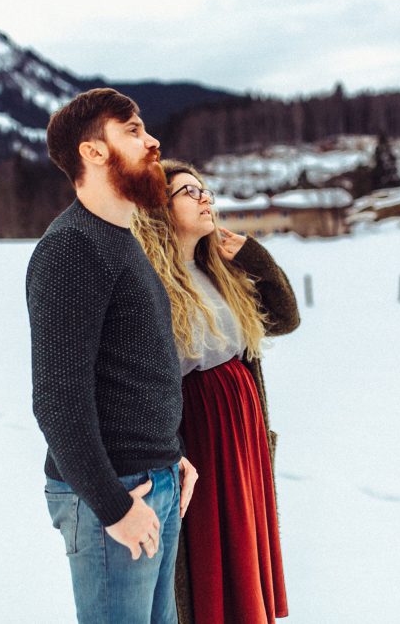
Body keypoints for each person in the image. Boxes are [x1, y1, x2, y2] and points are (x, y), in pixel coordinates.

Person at [26, 88, 198, 624]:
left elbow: (137, 371)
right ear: (93, 152)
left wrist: (171, 454)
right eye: (132, 131)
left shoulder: (121, 239)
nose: (152, 142)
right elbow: (56, 400)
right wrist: (112, 505)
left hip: (153, 479)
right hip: (112, 495)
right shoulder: (70, 248)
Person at [132, 160, 299, 623]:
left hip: (242, 428)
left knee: (244, 540)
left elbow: (285, 318)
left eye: (205, 189)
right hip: (199, 432)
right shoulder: (150, 283)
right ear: (158, 208)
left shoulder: (218, 270)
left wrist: (255, 260)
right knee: (208, 554)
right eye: (189, 191)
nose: (205, 197)